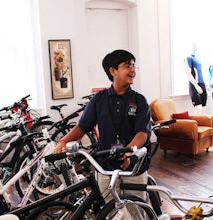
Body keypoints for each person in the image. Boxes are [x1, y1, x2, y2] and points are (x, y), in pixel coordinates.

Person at [54, 49, 152, 202]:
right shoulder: (99, 99)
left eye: (134, 65)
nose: (133, 70)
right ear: (113, 71)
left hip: (133, 168)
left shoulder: (140, 100)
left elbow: (142, 133)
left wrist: (128, 152)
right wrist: (63, 141)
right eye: (127, 65)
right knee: (110, 213)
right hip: (104, 167)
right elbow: (83, 127)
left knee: (136, 213)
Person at [184, 42, 207, 114]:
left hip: (202, 84)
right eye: (194, 44)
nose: (196, 45)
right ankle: (196, 125)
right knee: (198, 108)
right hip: (194, 85)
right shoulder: (188, 58)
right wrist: (196, 85)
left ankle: (203, 124)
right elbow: (188, 73)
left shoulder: (197, 59)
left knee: (204, 109)